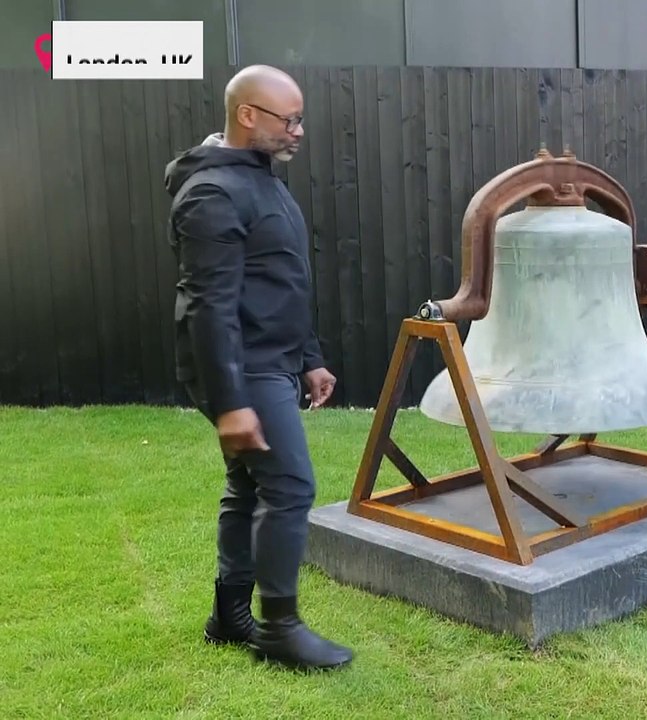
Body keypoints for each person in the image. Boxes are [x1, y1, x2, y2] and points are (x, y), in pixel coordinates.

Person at [164, 65, 354, 671]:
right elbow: (208, 304)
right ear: (248, 115)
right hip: (241, 369)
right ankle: (279, 628)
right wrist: (230, 402)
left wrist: (310, 358)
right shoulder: (212, 193)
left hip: (273, 360)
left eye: (300, 118)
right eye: (289, 119)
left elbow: (281, 278)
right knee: (291, 486)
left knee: (248, 486)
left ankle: (227, 616)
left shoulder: (261, 180)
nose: (299, 131)